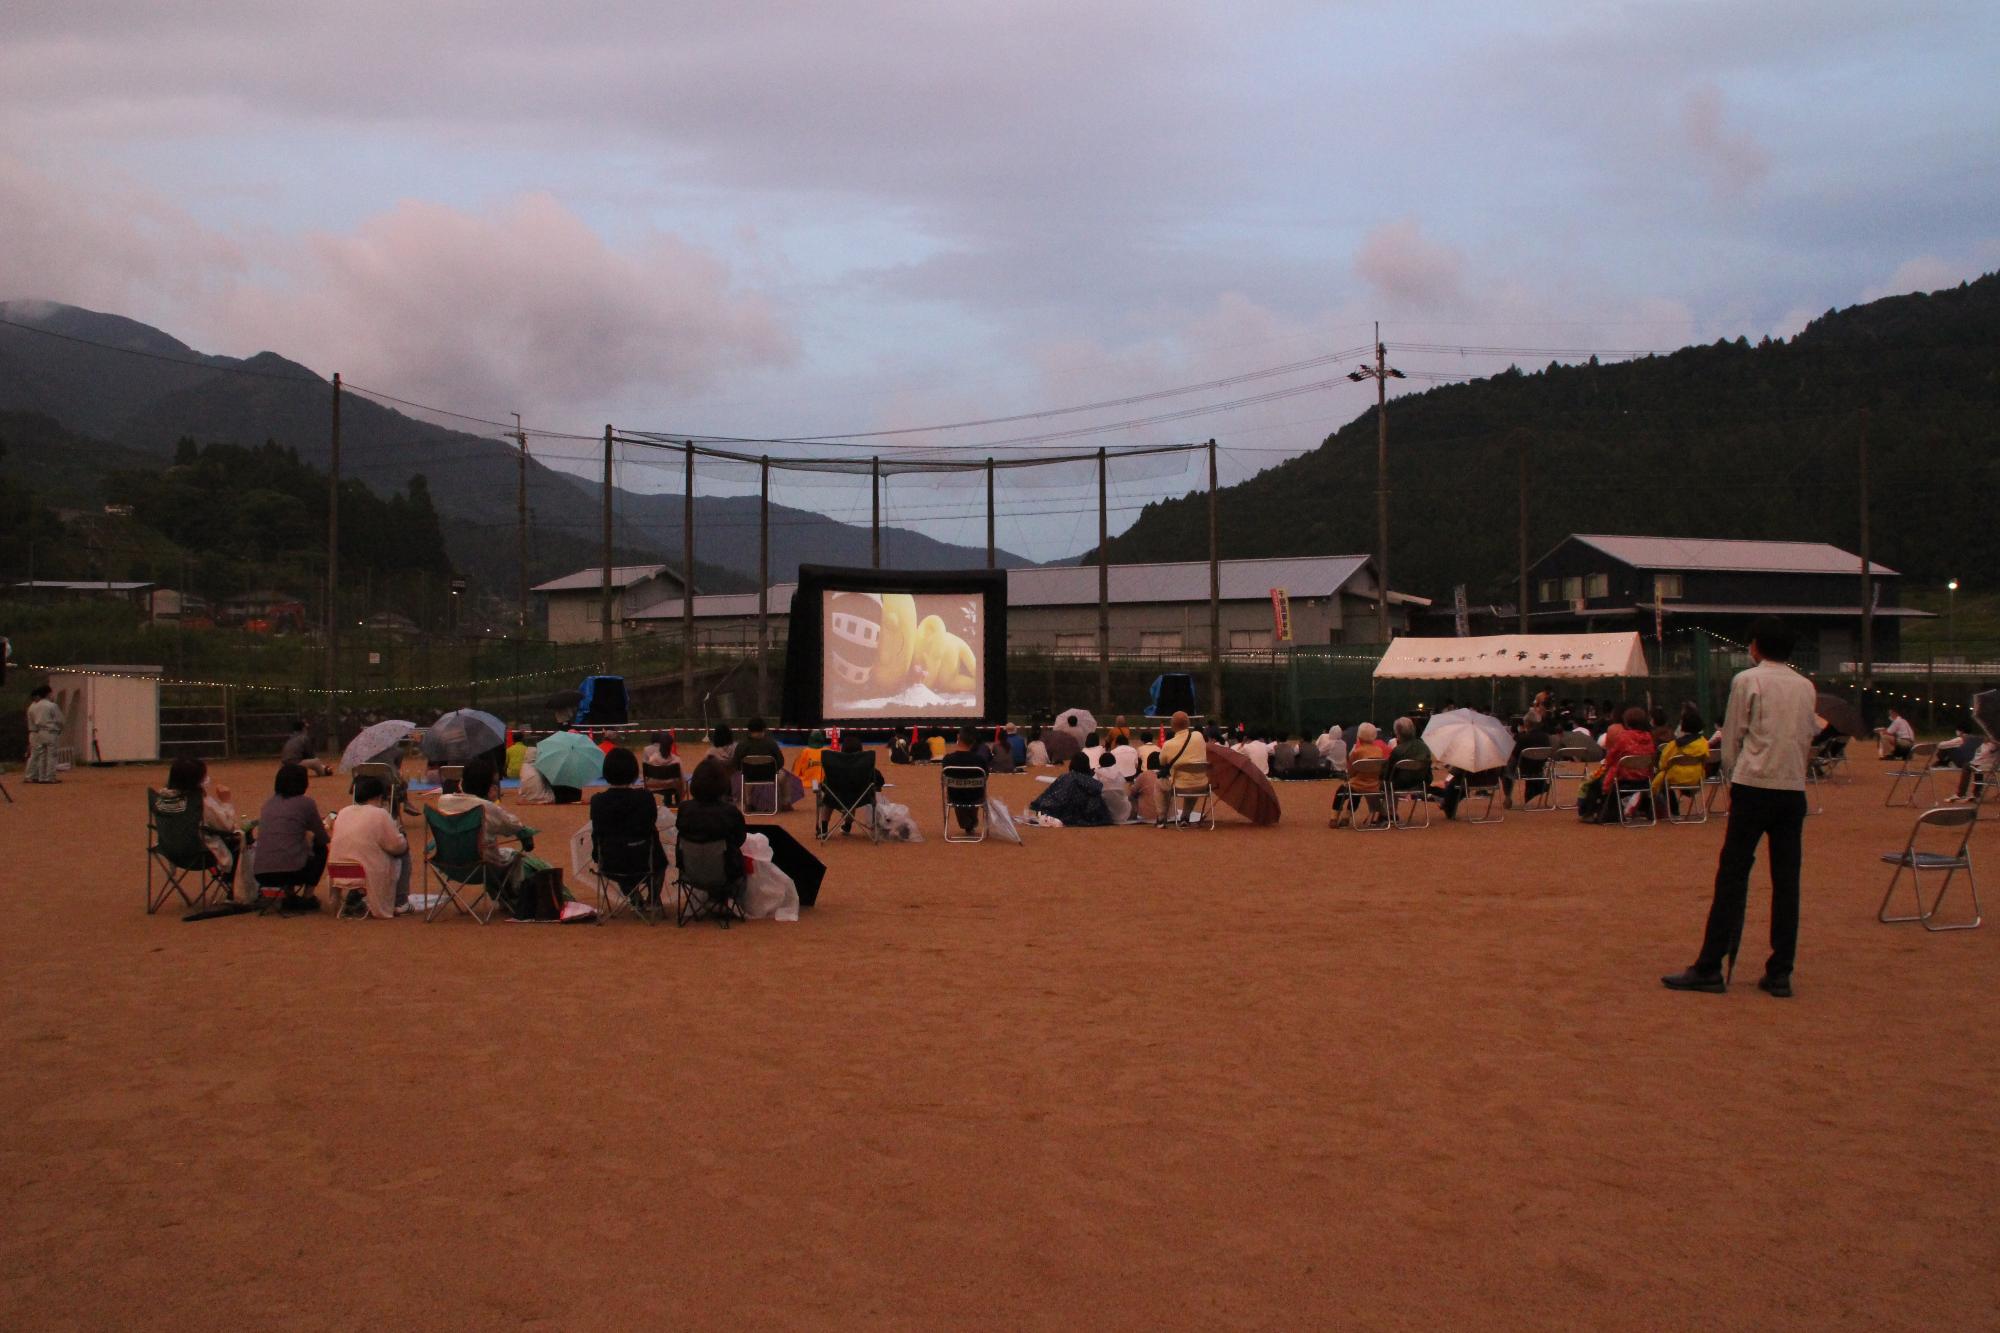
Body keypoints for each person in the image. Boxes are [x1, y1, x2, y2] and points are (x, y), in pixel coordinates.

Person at [1664, 617, 1816, 998]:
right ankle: (1780, 971)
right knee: (1787, 881)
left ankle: (1710, 965)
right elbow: (1806, 736)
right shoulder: (1805, 686)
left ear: (1756, 647)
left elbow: (1732, 738)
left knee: (1732, 876)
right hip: (1792, 788)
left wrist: (1730, 780)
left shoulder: (1748, 680)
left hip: (1753, 784)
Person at [437, 756, 534, 895]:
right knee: (513, 855)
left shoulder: (443, 801)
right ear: (489, 787)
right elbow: (514, 826)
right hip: (481, 866)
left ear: (462, 781)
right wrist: (492, 801)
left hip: (447, 863)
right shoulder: (487, 808)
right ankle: (515, 897)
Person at [589, 746, 667, 908]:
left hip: (610, 862)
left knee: (619, 849)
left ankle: (635, 897)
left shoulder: (598, 801)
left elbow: (597, 833)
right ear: (633, 772)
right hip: (645, 861)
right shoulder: (645, 798)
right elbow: (650, 825)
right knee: (658, 856)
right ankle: (653, 898)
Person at [329, 775, 412, 918]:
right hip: (367, 872)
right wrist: (401, 835)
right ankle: (400, 902)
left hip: (338, 870)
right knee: (403, 853)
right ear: (379, 796)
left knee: (363, 851)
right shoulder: (380, 814)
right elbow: (397, 846)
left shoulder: (343, 812)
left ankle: (356, 894)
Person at [251, 761, 329, 910]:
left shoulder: (268, 804)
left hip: (262, 874)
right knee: (320, 848)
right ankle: (308, 897)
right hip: (292, 872)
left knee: (289, 847)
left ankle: (289, 894)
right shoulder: (306, 803)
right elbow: (322, 837)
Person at [167, 756, 241, 886]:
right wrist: (226, 802)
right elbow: (227, 827)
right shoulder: (201, 804)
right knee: (241, 839)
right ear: (197, 781)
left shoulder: (164, 800)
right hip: (200, 854)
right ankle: (234, 886)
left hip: (172, 851)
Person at [1580, 708, 1656, 823]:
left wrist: (1606, 767)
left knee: (1594, 784)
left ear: (1627, 722)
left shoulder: (1623, 737)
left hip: (1622, 779)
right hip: (1644, 780)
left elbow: (1611, 757)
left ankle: (1589, 813)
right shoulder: (1649, 737)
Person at [677, 755, 747, 858]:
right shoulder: (730, 812)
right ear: (723, 783)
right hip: (726, 871)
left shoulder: (684, 809)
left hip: (691, 870)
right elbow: (740, 840)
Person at [818, 733, 885, 837]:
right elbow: (880, 781)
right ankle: (847, 826)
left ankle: (824, 829)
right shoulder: (865, 766)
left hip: (835, 797)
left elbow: (824, 785)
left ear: (842, 749)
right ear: (860, 750)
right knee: (853, 796)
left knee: (829, 797)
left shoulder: (834, 766)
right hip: (860, 797)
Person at [1027, 751, 1113, 826]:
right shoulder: (1092, 782)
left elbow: (1054, 797)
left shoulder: (1067, 778)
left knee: (1043, 806)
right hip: (1090, 816)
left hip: (1067, 813)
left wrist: (1039, 806)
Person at [1653, 706, 1711, 815]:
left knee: (1661, 777)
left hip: (1674, 778)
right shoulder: (1704, 743)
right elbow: (1705, 761)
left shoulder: (1674, 745)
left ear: (1683, 726)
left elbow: (1663, 764)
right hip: (1696, 778)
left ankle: (1671, 810)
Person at [1330, 723, 1390, 827]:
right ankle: (1347, 816)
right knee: (1356, 793)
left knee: (1341, 792)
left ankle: (1334, 817)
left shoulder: (1357, 752)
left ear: (1359, 736)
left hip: (1357, 784)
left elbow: (1351, 771)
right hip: (1373, 785)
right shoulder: (1379, 751)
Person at [1158, 710, 1208, 826]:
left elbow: (1162, 761)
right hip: (1201, 784)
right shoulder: (1199, 736)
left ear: (1172, 725)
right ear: (1188, 723)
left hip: (1179, 785)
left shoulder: (1168, 744)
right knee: (1192, 779)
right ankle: (1185, 816)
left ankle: (1161, 818)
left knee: (1158, 783)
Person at [24, 683, 62, 783]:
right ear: (48, 694)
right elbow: (60, 720)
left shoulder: (35, 706)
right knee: (50, 756)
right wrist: (59, 728)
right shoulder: (51, 705)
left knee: (42, 756)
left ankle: (41, 776)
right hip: (49, 731)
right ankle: (49, 777)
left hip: (39, 731)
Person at [642, 730, 685, 805]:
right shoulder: (677, 760)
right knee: (678, 782)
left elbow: (645, 768)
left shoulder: (652, 758)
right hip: (671, 786)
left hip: (653, 785)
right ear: (671, 746)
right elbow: (682, 778)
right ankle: (679, 804)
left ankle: (668, 803)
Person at [1093, 751, 1134, 823]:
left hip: (1104, 813)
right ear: (1114, 762)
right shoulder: (1119, 774)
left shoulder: (1097, 775)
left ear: (1100, 762)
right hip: (1122, 812)